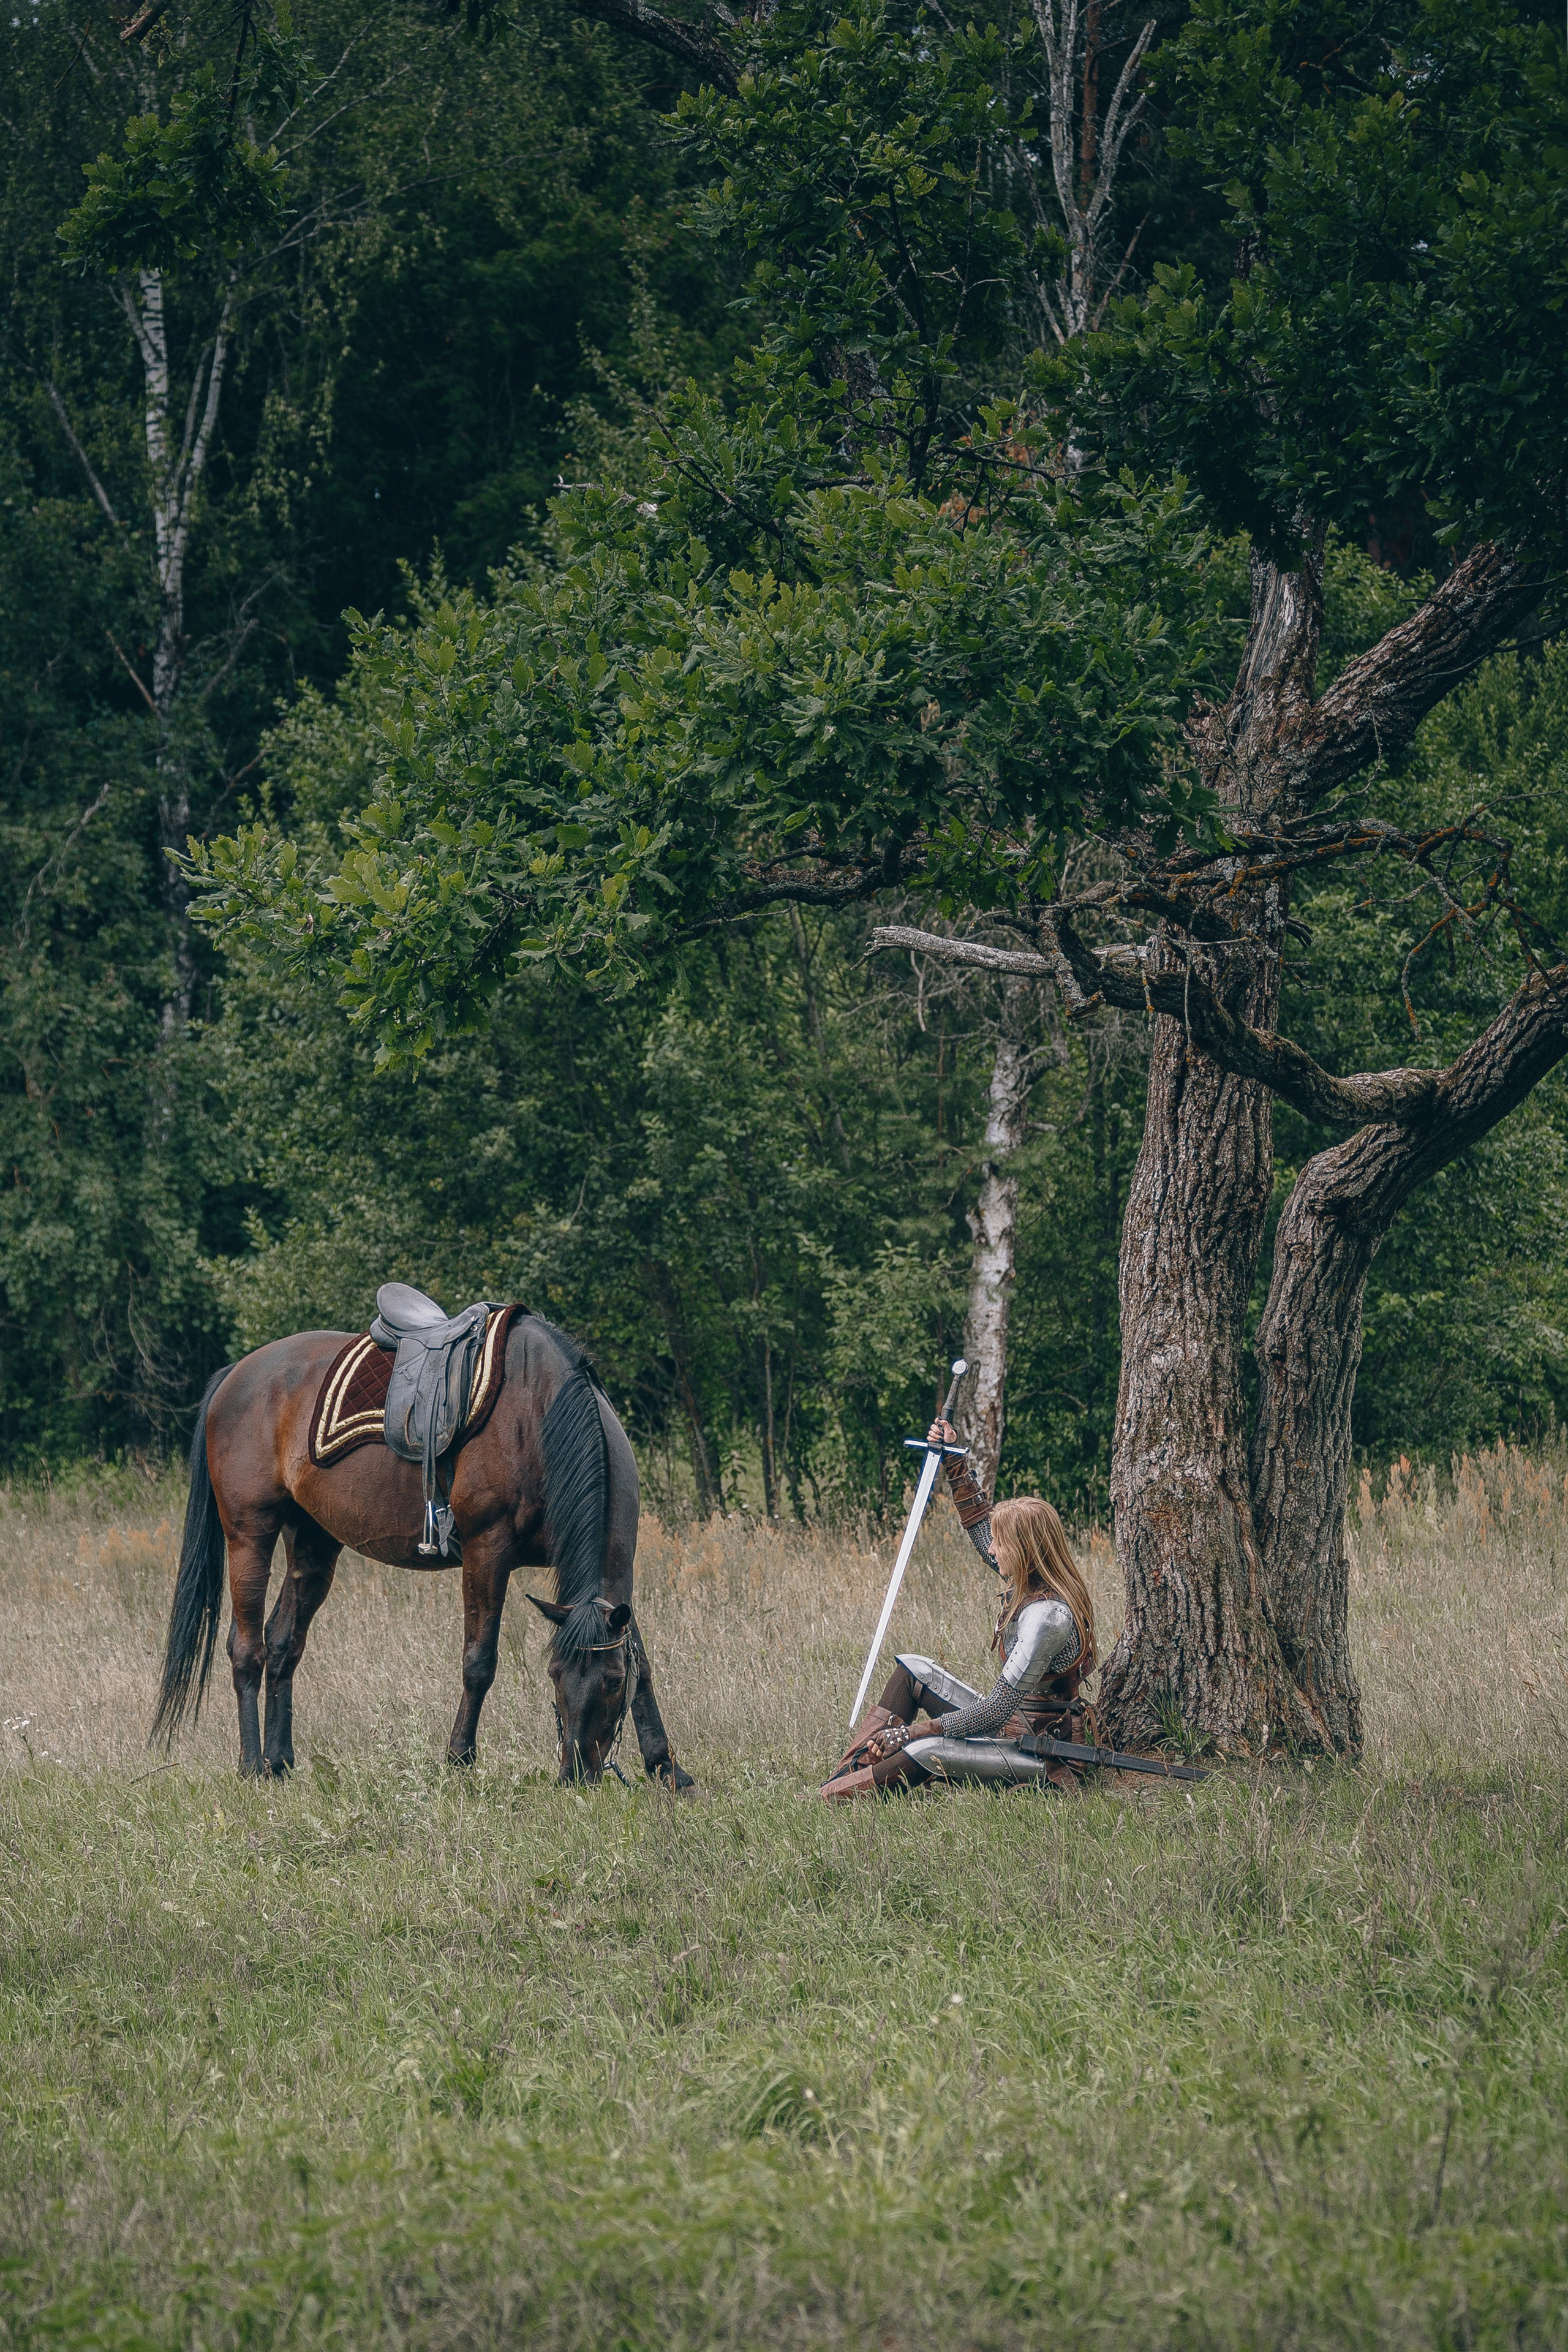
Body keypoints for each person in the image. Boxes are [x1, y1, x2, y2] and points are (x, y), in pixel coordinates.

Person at [820, 1419, 1097, 1800]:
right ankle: (845, 1776)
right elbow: (983, 1531)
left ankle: (830, 1799)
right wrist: (954, 1460)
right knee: (914, 1670)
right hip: (1014, 1729)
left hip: (1045, 1754)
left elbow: (995, 1712)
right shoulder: (1029, 1582)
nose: (993, 1550)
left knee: (928, 1750)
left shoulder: (1047, 1616)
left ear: (1025, 1551)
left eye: (1003, 1544)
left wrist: (912, 1732)